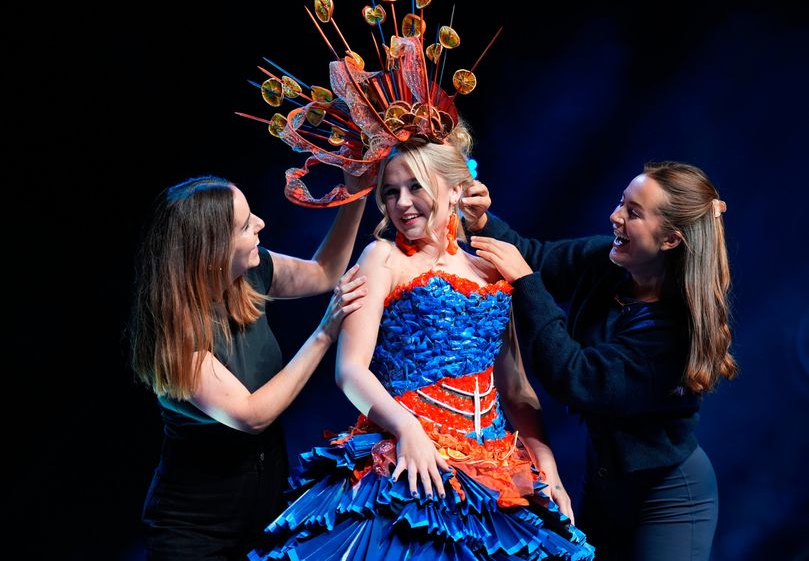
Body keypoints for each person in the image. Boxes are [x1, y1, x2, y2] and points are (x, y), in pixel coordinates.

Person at [248, 130, 596, 560]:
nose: (402, 202)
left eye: (416, 186)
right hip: (408, 457)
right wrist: (408, 429)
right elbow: (350, 370)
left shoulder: (492, 267)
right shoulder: (382, 258)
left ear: (455, 190)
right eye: (391, 192)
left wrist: (549, 469)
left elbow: (516, 389)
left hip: (492, 467)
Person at [462, 161, 738, 560]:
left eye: (633, 212)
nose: (616, 216)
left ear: (670, 241)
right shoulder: (609, 262)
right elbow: (535, 258)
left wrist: (525, 283)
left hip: (668, 496)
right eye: (621, 203)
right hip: (608, 486)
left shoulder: (673, 330)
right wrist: (482, 220)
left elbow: (578, 378)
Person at [129, 174, 369, 560]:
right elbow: (252, 415)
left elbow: (326, 270)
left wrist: (358, 190)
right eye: (244, 225)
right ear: (212, 252)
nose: (260, 223)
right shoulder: (173, 338)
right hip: (196, 533)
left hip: (263, 511)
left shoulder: (250, 272)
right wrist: (325, 332)